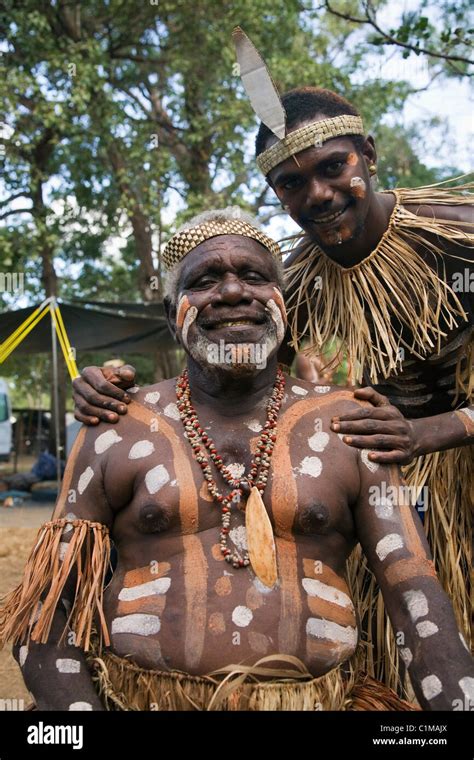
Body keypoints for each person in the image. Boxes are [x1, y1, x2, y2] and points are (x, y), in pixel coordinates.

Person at [72, 35, 473, 692]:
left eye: (333, 167)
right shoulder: (299, 289)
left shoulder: (459, 243)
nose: (317, 193)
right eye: (291, 183)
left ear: (368, 155)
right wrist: (112, 384)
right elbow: (244, 371)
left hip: (456, 467)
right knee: (368, 652)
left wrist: (441, 429)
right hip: (379, 482)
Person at [1, 210, 472, 711]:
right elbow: (47, 614)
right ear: (170, 313)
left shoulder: (348, 425)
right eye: (204, 280)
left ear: (283, 304)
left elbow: (416, 601)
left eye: (253, 276)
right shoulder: (116, 427)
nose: (231, 293)